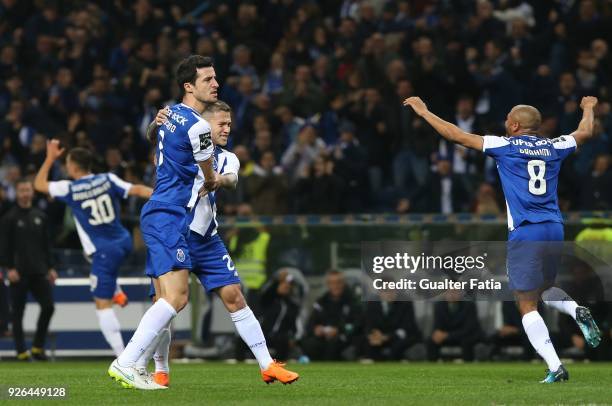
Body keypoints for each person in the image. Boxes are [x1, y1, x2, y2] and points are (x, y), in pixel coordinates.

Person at [403, 95, 602, 383]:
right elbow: (585, 132)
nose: (505, 121)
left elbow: (456, 135)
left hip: (526, 229)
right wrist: (589, 109)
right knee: (545, 288)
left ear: (516, 125)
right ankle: (575, 308)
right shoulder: (554, 145)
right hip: (555, 228)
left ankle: (555, 366)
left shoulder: (504, 145)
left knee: (525, 302)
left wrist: (424, 113)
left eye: (508, 117)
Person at [139, 101, 299, 386]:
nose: (227, 129)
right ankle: (161, 369)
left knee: (235, 296)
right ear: (204, 125)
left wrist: (218, 180)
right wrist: (157, 122)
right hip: (173, 232)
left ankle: (267, 364)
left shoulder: (229, 157)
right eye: (221, 124)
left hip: (207, 240)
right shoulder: (180, 150)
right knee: (164, 303)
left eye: (229, 124)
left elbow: (232, 179)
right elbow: (157, 145)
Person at [107, 55, 219, 390]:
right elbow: (209, 176)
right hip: (169, 215)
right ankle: (126, 361)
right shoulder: (199, 127)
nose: (216, 84)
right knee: (178, 297)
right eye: (207, 79)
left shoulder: (169, 112)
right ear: (189, 86)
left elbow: (153, 134)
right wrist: (213, 178)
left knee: (164, 299)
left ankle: (141, 365)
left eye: (215, 78)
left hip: (159, 211)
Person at [33, 142, 152, 358]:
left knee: (102, 305)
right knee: (95, 262)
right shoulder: (108, 178)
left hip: (104, 251)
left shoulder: (69, 188)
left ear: (74, 167)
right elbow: (136, 189)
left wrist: (50, 158)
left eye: (67, 164)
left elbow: (39, 184)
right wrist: (161, 196)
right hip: (123, 241)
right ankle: (116, 291)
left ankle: (123, 357)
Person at [0, 179, 56, 360]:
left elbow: (47, 244)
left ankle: (38, 347)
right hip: (19, 272)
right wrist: (9, 268)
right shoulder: (9, 218)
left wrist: (51, 267)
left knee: (48, 307)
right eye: (21, 190)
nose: (25, 193)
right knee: (17, 313)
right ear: (17, 193)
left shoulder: (40, 216)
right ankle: (21, 351)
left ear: (32, 192)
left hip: (39, 270)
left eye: (27, 190)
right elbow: (4, 246)